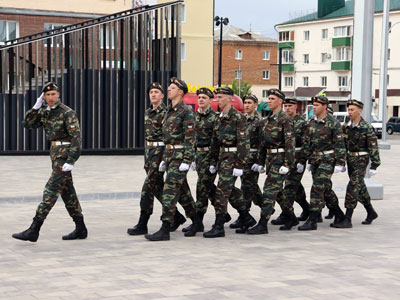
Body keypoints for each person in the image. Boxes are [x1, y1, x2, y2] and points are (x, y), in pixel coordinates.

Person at [12, 82, 87, 242]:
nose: (51, 97)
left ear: (58, 95)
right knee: (67, 192)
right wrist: (35, 107)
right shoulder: (45, 112)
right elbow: (28, 124)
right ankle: (80, 228)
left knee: (50, 190)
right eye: (47, 95)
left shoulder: (67, 112)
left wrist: (72, 159)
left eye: (53, 94)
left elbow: (76, 138)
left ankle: (34, 229)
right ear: (44, 97)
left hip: (64, 157)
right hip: (55, 155)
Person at [145, 77, 200, 241]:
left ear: (181, 92)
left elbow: (191, 138)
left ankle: (165, 229)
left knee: (169, 192)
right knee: (183, 194)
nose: (168, 89)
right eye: (169, 87)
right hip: (169, 156)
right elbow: (166, 137)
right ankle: (197, 222)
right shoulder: (169, 110)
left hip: (180, 157)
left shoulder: (186, 111)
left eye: (172, 87)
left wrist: (187, 160)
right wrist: (163, 158)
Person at [127, 82, 184, 235]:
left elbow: (168, 136)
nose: (153, 94)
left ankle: (143, 222)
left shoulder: (166, 112)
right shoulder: (148, 112)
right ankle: (177, 216)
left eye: (156, 92)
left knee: (148, 188)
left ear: (162, 95)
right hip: (150, 152)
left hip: (161, 152)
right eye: (151, 92)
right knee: (157, 187)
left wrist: (165, 157)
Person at [204, 86, 256, 238]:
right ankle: (246, 217)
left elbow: (244, 143)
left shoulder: (238, 118)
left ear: (230, 99)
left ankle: (219, 225)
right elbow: (215, 141)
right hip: (222, 158)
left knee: (222, 192)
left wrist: (240, 165)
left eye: (220, 97)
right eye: (217, 97)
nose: (217, 100)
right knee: (230, 190)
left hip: (232, 159)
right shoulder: (219, 117)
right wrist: (213, 161)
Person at [182, 87, 231, 234]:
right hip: (198, 155)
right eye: (199, 97)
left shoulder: (215, 117)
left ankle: (199, 222)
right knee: (209, 189)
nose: (201, 100)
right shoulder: (194, 117)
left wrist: (213, 161)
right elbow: (192, 138)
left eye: (204, 97)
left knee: (202, 188)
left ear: (211, 100)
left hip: (210, 156)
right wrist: (192, 157)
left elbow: (217, 140)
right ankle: (233, 214)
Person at [248, 88, 295, 234]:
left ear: (280, 101)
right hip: (270, 159)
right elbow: (263, 143)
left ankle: (263, 224)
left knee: (269, 191)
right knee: (278, 192)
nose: (269, 101)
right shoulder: (267, 120)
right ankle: (291, 216)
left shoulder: (284, 119)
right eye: (268, 99)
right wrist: (260, 162)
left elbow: (290, 143)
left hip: (280, 160)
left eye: (272, 99)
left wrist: (288, 164)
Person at [298, 95, 346, 231]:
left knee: (317, 187)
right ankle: (339, 215)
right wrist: (303, 160)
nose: (314, 107)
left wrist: (340, 163)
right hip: (315, 160)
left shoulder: (333, 123)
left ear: (325, 106)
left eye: (317, 105)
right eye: (314, 105)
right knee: (326, 190)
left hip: (328, 159)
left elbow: (340, 144)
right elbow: (307, 143)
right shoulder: (312, 122)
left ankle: (312, 220)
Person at [332, 99, 381, 228]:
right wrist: (341, 161)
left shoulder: (366, 127)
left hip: (361, 160)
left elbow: (373, 147)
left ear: (360, 111)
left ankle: (347, 219)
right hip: (350, 160)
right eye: (348, 110)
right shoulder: (347, 127)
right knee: (360, 188)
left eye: (352, 110)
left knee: (352, 187)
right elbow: (343, 145)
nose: (350, 112)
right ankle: (371, 212)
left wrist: (375, 164)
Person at [271, 97, 309, 227]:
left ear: (295, 107)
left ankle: (287, 215)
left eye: (290, 106)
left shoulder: (302, 122)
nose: (287, 108)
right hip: (286, 158)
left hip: (297, 158)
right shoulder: (282, 121)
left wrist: (302, 161)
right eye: (285, 106)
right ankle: (307, 208)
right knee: (296, 188)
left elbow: (306, 143)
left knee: (289, 188)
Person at [232, 94, 263, 233]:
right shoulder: (241, 119)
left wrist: (260, 161)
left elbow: (262, 143)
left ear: (256, 104)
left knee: (247, 188)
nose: (246, 105)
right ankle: (262, 205)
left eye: (250, 102)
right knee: (250, 187)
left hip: (253, 158)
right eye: (245, 102)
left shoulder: (260, 122)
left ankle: (246, 216)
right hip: (241, 157)